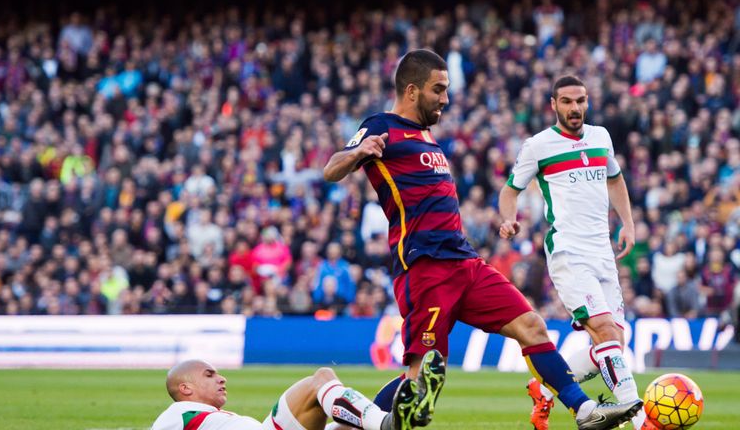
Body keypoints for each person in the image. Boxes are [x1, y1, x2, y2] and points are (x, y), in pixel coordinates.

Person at [323, 49, 641, 430]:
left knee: (532, 326)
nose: (445, 98)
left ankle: (584, 411)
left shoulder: (425, 135)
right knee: (422, 383)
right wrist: (358, 151)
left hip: (466, 262)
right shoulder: (382, 126)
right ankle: (359, 421)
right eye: (438, 89)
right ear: (411, 90)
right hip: (426, 268)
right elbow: (331, 169)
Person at [498, 75, 653, 430]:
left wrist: (627, 223)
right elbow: (510, 190)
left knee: (615, 343)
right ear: (553, 104)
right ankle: (639, 419)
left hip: (602, 250)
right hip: (569, 250)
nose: (575, 108)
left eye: (580, 100)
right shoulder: (538, 145)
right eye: (567, 101)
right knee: (603, 332)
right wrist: (509, 219)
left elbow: (614, 179)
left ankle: (545, 390)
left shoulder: (601, 137)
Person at [151, 350, 445, 430]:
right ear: (185, 388)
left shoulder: (203, 419)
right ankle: (388, 422)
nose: (222, 378)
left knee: (348, 427)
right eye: (210, 374)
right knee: (320, 380)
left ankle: (409, 394)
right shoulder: (176, 415)